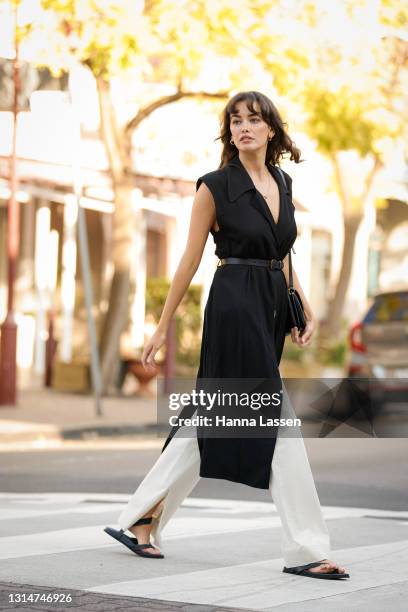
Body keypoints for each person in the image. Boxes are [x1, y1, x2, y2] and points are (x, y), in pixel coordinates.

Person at [104, 91, 349, 580]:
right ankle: (305, 548)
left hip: (270, 307)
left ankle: (141, 520)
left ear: (271, 130)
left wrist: (301, 304)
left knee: (218, 414)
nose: (243, 128)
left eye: (253, 120)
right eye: (235, 121)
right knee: (273, 420)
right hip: (234, 307)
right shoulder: (214, 187)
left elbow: (282, 254)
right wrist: (161, 323)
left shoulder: (283, 181)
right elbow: (190, 258)